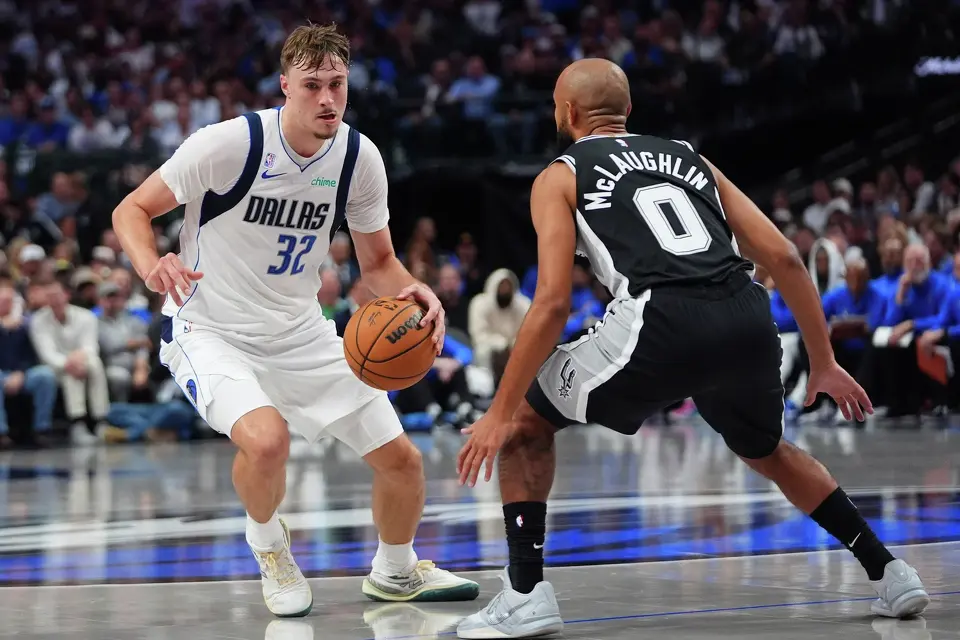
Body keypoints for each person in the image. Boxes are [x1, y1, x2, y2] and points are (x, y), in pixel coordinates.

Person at [455, 59, 929, 639]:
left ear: (568, 114)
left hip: (659, 320)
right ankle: (890, 572)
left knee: (527, 426)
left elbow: (552, 302)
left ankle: (526, 594)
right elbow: (781, 256)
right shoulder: (688, 157)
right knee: (769, 450)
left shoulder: (559, 174)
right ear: (628, 112)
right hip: (745, 313)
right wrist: (824, 362)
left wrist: (499, 413)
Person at [111, 24, 478, 618]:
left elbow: (377, 263)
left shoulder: (359, 157)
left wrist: (415, 291)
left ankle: (395, 571)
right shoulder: (228, 145)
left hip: (301, 330)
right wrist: (152, 265)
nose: (327, 99)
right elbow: (131, 208)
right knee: (266, 442)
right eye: (312, 85)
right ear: (286, 86)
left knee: (403, 463)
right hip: (211, 328)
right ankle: (270, 547)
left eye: (337, 84)